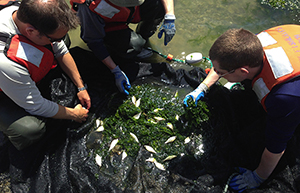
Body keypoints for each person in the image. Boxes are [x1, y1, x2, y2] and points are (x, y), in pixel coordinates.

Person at [183, 25, 300, 192]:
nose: (218, 74)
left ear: (244, 71)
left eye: (222, 73)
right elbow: (224, 64)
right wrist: (202, 87)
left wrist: (258, 176)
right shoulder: (255, 43)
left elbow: (276, 148)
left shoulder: (283, 98)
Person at [0, 0, 91, 151]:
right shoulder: (5, 61)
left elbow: (60, 50)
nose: (58, 42)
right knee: (29, 131)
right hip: (3, 87)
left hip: (13, 73)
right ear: (31, 31)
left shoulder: (27, 11)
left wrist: (81, 86)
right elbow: (36, 106)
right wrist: (75, 114)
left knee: (63, 41)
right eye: (55, 39)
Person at [71, 0, 176, 95]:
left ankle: (144, 36)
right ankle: (121, 46)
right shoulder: (88, 5)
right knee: (135, 46)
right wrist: (115, 70)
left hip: (131, 12)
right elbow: (94, 42)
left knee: (160, 5)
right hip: (109, 23)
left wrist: (170, 16)